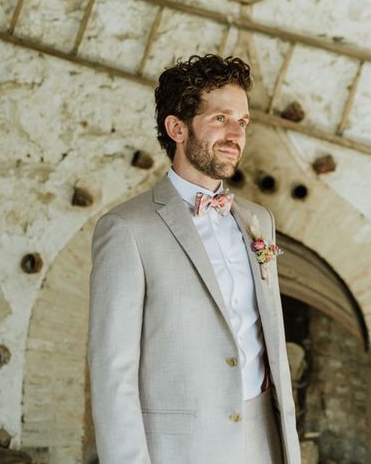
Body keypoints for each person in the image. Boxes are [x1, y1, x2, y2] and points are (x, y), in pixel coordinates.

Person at [88, 54, 301, 464]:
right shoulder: (126, 229)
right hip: (179, 451)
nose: (235, 134)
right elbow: (113, 376)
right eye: (220, 118)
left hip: (263, 444)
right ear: (177, 128)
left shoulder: (258, 221)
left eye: (242, 122)